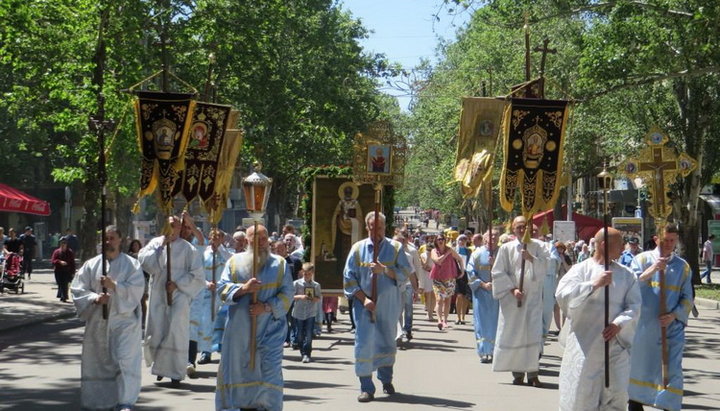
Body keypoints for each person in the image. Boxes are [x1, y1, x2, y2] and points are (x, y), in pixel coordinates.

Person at [555, 227, 641, 410]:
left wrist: (619, 323)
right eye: (619, 244)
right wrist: (593, 285)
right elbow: (562, 295)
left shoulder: (627, 275)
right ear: (604, 244)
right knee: (583, 396)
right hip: (586, 345)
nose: (623, 248)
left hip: (615, 345)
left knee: (617, 395)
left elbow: (634, 306)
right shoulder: (580, 270)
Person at [215, 224, 293, 411]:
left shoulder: (280, 264)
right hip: (241, 331)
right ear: (247, 241)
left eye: (264, 238)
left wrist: (265, 307)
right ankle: (245, 406)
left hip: (270, 330)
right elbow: (222, 290)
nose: (261, 242)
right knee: (241, 372)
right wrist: (244, 289)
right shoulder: (235, 262)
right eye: (255, 238)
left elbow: (287, 294)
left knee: (269, 373)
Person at [70, 226, 145, 411]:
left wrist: (114, 285)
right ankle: (99, 399)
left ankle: (125, 401)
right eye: (105, 238)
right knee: (100, 362)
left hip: (124, 321)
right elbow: (78, 289)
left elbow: (137, 290)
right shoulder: (91, 264)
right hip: (98, 322)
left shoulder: (131, 264)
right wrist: (95, 298)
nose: (108, 241)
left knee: (123, 360)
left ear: (120, 240)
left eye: (112, 238)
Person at [343, 212, 411, 403]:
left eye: (379, 227)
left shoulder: (395, 248)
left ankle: (386, 379)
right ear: (367, 227)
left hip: (388, 304)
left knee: (386, 341)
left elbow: (405, 273)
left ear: (384, 227)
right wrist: (364, 300)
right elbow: (349, 279)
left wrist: (385, 271)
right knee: (364, 343)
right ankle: (366, 387)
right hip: (364, 305)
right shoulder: (357, 249)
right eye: (372, 227)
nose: (376, 231)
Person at [628, 225, 694, 411]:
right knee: (641, 368)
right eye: (665, 240)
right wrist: (653, 269)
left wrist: (674, 315)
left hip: (671, 328)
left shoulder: (683, 267)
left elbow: (688, 298)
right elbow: (630, 285)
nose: (669, 244)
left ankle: (669, 406)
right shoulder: (641, 260)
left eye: (673, 240)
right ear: (657, 239)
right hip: (644, 328)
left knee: (672, 371)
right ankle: (635, 403)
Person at [139, 215, 205, 387]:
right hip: (159, 293)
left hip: (180, 294)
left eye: (175, 225)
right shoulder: (156, 243)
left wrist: (177, 285)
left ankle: (175, 372)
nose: (172, 228)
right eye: (169, 225)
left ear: (180, 228)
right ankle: (161, 367)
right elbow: (146, 263)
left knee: (176, 329)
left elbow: (198, 276)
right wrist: (161, 247)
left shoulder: (188, 249)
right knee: (159, 329)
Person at [491, 215, 550, 387]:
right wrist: (513, 289)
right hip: (513, 300)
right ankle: (517, 373)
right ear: (513, 229)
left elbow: (546, 267)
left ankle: (533, 374)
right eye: (518, 227)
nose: (521, 229)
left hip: (532, 299)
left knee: (532, 334)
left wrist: (531, 258)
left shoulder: (539, 246)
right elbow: (498, 272)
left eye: (524, 226)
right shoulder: (506, 248)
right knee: (515, 334)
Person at [188, 228, 232, 375]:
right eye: (213, 237)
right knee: (207, 321)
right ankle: (206, 351)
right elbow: (198, 272)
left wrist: (220, 247)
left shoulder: (226, 252)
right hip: (207, 293)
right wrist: (207, 284)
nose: (215, 239)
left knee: (223, 323)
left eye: (219, 237)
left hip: (222, 293)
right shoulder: (204, 253)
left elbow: (230, 264)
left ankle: (223, 350)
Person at [467, 229, 499, 363]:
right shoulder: (477, 254)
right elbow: (470, 271)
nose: (493, 238)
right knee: (481, 321)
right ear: (485, 238)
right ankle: (483, 350)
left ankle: (494, 350)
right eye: (490, 235)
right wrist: (482, 284)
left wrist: (495, 264)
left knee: (495, 322)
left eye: (496, 235)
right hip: (481, 293)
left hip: (498, 294)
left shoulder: (502, 252)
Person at [430, 234, 465, 331]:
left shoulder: (450, 250)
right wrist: (447, 253)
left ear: (445, 240)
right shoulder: (434, 251)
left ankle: (445, 320)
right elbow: (438, 261)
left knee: (447, 300)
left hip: (450, 278)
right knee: (439, 299)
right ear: (436, 241)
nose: (440, 241)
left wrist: (462, 271)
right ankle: (439, 320)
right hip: (438, 278)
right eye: (438, 239)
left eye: (442, 239)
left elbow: (460, 259)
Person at [292, 262, 322, 363]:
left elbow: (319, 297)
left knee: (309, 334)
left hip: (310, 312)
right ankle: (301, 349)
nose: (306, 276)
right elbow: (291, 296)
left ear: (312, 273)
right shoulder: (296, 283)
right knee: (299, 334)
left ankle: (307, 353)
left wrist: (314, 298)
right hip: (298, 312)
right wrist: (301, 297)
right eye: (305, 274)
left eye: (309, 274)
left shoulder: (316, 285)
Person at [454, 234, 472, 325]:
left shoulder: (469, 251)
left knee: (466, 297)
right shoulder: (454, 250)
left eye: (464, 240)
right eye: (461, 239)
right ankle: (458, 316)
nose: (462, 241)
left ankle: (463, 316)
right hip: (457, 274)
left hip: (466, 274)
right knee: (459, 295)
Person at [51, 238, 76, 302]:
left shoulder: (70, 252)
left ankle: (64, 296)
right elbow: (53, 260)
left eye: (64, 243)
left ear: (66, 244)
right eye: (62, 243)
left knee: (65, 283)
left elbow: (73, 262)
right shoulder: (56, 252)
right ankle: (62, 295)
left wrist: (73, 272)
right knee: (60, 283)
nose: (63, 244)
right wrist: (59, 262)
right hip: (58, 271)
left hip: (67, 271)